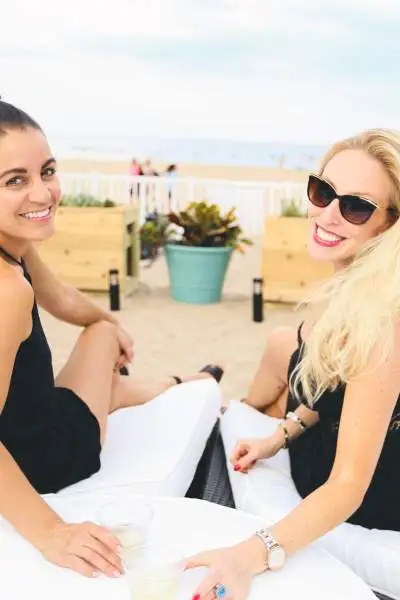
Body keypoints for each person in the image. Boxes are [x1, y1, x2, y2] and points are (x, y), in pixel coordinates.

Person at [0, 100, 223, 579]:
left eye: (48, 171)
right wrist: (49, 531)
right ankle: (173, 383)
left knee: (103, 333)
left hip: (28, 418)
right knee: (101, 337)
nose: (43, 192)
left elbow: (59, 296)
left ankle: (147, 385)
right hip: (44, 456)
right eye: (14, 180)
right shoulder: (7, 291)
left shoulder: (12, 249)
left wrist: (110, 322)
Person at [186, 129, 400, 600]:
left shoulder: (383, 322)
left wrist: (246, 556)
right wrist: (277, 436)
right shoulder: (353, 287)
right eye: (322, 192)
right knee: (284, 348)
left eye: (356, 207)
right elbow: (334, 394)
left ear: (387, 225)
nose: (326, 214)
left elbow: (347, 486)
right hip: (331, 445)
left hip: (370, 493)